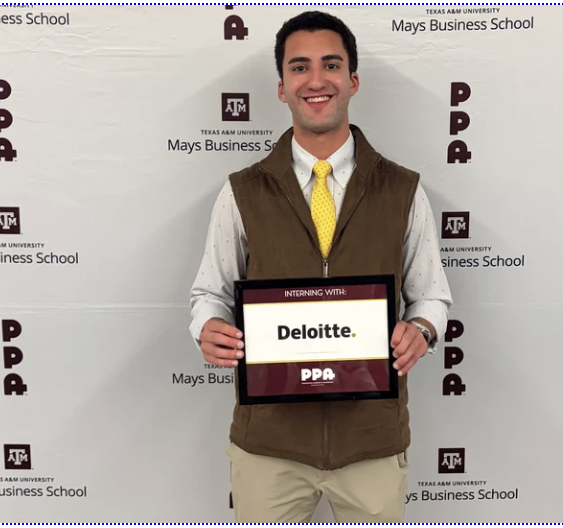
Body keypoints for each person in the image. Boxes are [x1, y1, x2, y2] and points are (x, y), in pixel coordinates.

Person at [188, 10, 453, 523]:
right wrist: (207, 327)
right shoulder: (241, 191)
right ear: (282, 88)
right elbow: (210, 294)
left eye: (331, 65)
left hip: (371, 442)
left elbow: (431, 296)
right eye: (299, 67)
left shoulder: (402, 189)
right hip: (269, 445)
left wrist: (421, 330)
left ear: (352, 81)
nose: (316, 80)